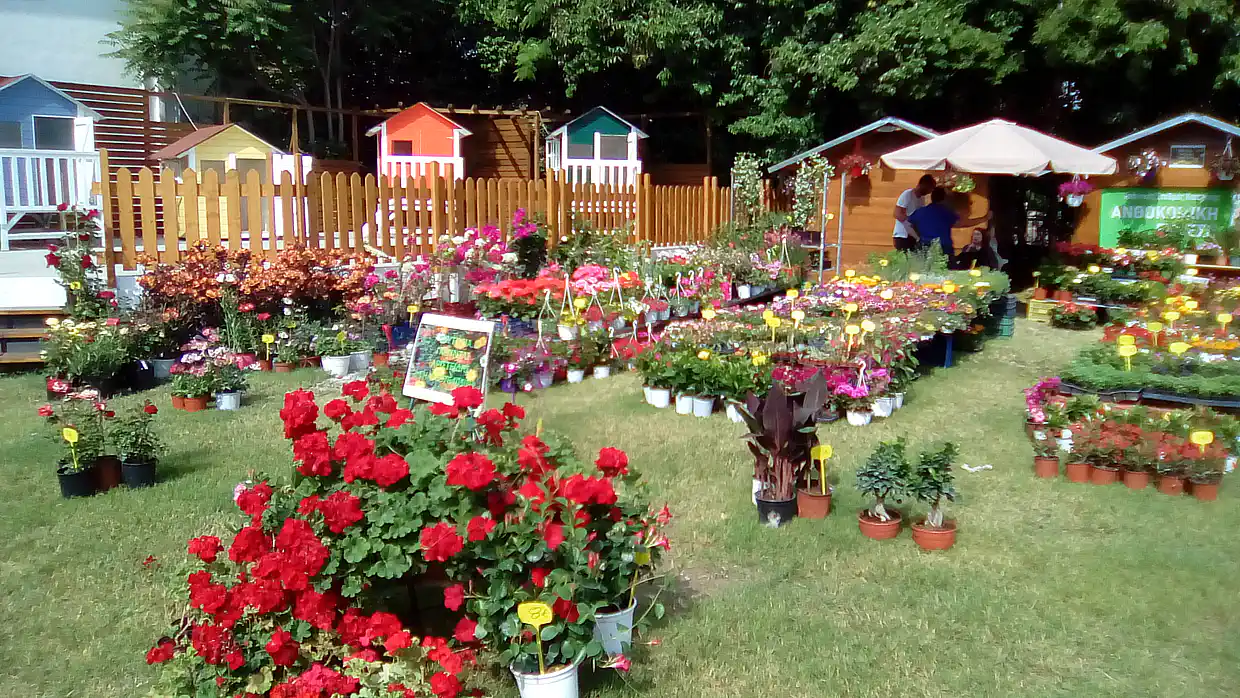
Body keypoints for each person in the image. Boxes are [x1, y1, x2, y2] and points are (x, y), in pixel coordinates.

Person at [907, 187, 992, 260]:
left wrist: (918, 237)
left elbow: (909, 224)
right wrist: (984, 218)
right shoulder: (946, 212)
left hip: (924, 246)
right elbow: (962, 223)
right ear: (944, 199)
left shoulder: (920, 211)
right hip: (943, 247)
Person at [892, 174, 935, 251]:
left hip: (914, 235)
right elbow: (897, 214)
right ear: (923, 184)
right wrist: (910, 222)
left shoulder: (922, 199)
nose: (929, 192)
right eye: (929, 189)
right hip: (903, 235)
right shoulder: (908, 194)